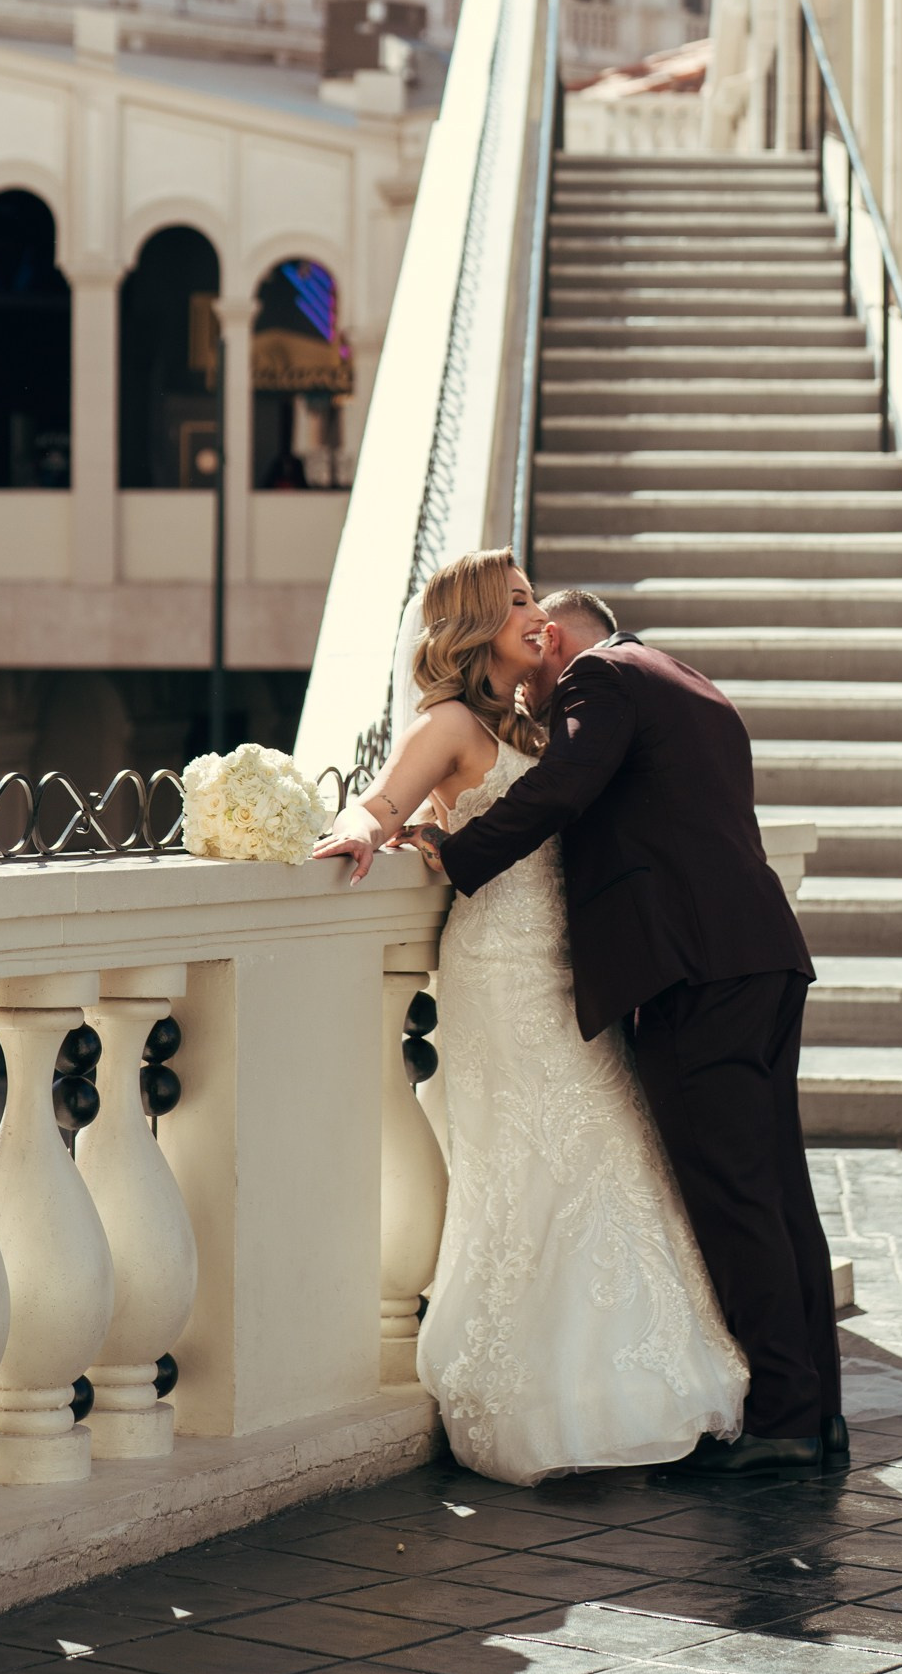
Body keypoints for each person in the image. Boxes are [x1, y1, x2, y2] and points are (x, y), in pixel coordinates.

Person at [321, 576, 843, 1480]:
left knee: (736, 1194)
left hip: (687, 972)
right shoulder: (679, 680)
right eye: (516, 598)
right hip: (733, 959)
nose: (537, 621)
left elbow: (562, 794)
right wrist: (363, 826)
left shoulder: (599, 689)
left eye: (539, 605)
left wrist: (458, 851)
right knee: (769, 1190)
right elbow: (388, 797)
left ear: (565, 642)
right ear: (479, 624)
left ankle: (791, 1417)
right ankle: (808, 1408)